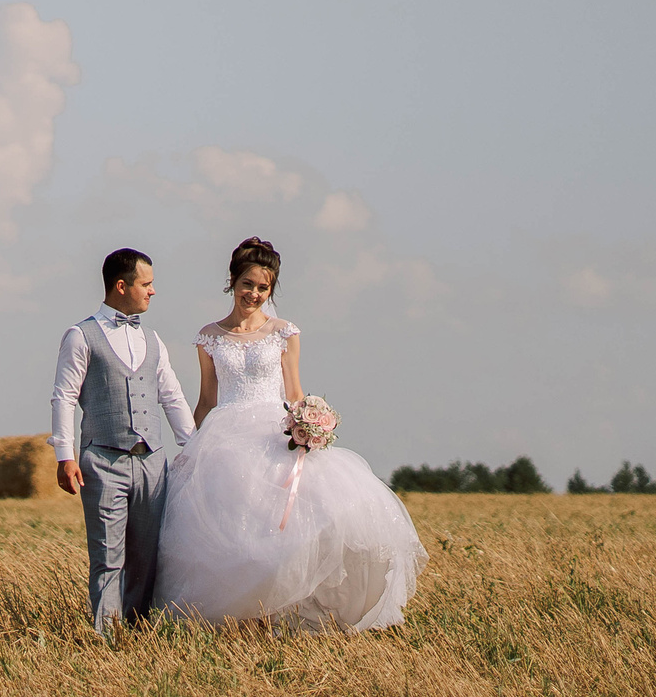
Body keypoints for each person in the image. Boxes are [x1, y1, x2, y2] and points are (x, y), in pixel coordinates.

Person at [152, 237, 427, 631]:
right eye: (248, 284)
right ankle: (234, 618)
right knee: (228, 532)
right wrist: (190, 444)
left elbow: (295, 392)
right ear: (232, 281)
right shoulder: (209, 336)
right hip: (223, 439)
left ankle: (278, 612)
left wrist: (309, 427)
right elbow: (207, 398)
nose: (255, 294)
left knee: (285, 530)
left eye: (263, 287)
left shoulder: (284, 332)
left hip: (274, 432)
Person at [49, 248, 198, 636]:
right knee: (107, 558)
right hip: (102, 461)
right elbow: (64, 397)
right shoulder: (79, 336)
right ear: (121, 286)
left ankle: (138, 631)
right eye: (146, 284)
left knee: (146, 557)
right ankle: (107, 639)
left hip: (153, 463)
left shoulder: (153, 339)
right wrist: (65, 457)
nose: (153, 292)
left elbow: (171, 396)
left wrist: (194, 447)